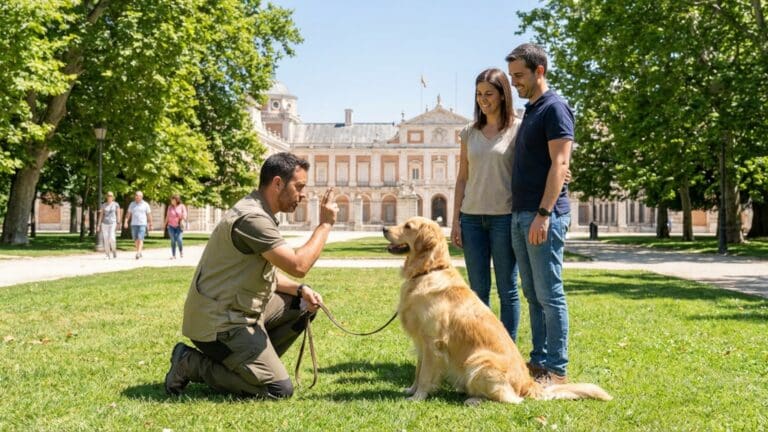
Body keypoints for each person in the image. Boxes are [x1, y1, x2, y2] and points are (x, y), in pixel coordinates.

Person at [164, 152, 339, 399]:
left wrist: (299, 290)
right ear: (278, 183)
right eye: (298, 187)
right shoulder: (252, 218)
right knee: (278, 390)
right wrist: (325, 225)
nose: (303, 195)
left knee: (301, 305)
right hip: (219, 323)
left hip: (242, 312)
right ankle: (190, 363)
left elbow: (262, 273)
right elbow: (299, 265)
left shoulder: (260, 211)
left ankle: (253, 366)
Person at [506, 43, 574, 385]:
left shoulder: (554, 107)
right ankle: (538, 360)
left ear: (539, 71)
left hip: (541, 214)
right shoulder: (532, 110)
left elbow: (561, 161)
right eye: (511, 76)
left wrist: (544, 213)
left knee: (549, 293)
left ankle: (557, 369)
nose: (514, 82)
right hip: (522, 213)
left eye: (519, 75)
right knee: (532, 293)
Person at [450, 68, 521, 342]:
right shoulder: (469, 132)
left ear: (503, 95)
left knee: (508, 289)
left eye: (489, 94)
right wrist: (456, 220)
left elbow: (534, 166)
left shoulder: (518, 128)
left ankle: (508, 348)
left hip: (504, 218)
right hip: (471, 220)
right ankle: (483, 345)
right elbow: (462, 178)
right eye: (479, 94)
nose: (483, 99)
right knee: (478, 291)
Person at [123, 191, 152, 259]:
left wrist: (150, 223)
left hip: (142, 224)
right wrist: (125, 222)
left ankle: (138, 253)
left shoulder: (145, 204)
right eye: (136, 195)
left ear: (141, 197)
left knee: (140, 238)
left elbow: (149, 214)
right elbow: (128, 214)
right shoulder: (132, 204)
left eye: (138, 196)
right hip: (134, 224)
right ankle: (139, 251)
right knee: (135, 239)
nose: (136, 197)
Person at [96, 191, 120, 259]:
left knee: (112, 238)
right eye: (108, 196)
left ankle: (114, 251)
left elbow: (118, 214)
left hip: (113, 223)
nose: (110, 197)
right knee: (106, 239)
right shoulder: (104, 205)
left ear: (113, 197)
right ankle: (107, 254)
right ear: (106, 197)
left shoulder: (116, 204)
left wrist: (118, 222)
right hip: (104, 224)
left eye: (111, 196)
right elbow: (101, 215)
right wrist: (98, 225)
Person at [164, 194, 188, 259]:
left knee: (179, 239)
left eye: (173, 200)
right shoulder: (170, 207)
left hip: (179, 226)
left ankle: (181, 251)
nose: (172, 201)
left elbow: (185, 215)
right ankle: (173, 255)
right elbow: (167, 216)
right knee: (173, 240)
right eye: (171, 200)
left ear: (177, 200)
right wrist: (165, 224)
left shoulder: (182, 206)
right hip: (171, 226)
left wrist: (183, 218)